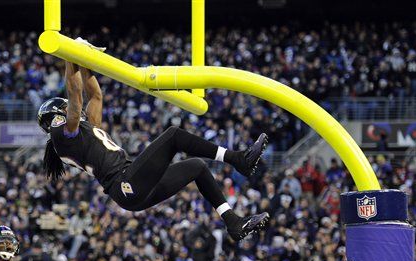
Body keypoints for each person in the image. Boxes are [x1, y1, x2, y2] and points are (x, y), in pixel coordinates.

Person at [38, 48, 269, 242]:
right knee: (174, 136)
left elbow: (95, 96)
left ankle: (233, 222)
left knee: (197, 167)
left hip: (132, 188)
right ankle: (238, 160)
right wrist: (70, 56)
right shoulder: (62, 135)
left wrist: (85, 60)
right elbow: (75, 95)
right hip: (125, 183)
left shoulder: (81, 135)